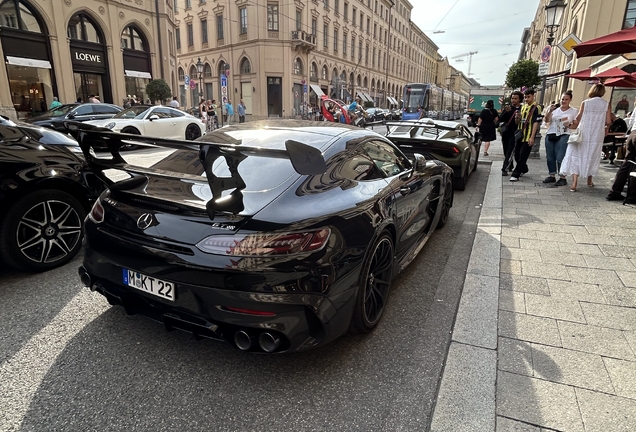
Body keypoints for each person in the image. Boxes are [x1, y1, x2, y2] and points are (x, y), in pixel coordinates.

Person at [560, 83, 612, 192]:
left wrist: (570, 123)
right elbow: (608, 121)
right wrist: (606, 127)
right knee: (592, 155)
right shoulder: (606, 104)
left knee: (577, 155)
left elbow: (578, 118)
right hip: (597, 134)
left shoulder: (585, 103)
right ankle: (589, 180)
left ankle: (574, 184)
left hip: (584, 132)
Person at [542, 90, 577, 186]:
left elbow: (576, 125)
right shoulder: (555, 110)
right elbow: (547, 120)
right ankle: (552, 175)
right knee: (550, 156)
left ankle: (562, 177)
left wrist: (569, 124)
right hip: (551, 133)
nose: (564, 101)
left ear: (570, 100)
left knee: (560, 156)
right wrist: (550, 111)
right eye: (562, 99)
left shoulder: (574, 111)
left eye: (566, 99)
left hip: (564, 134)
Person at [510, 89, 542, 182]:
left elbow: (536, 122)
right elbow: (518, 121)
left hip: (528, 136)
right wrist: (517, 118)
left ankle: (516, 174)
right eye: (525, 97)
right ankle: (524, 169)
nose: (526, 99)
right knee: (517, 155)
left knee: (523, 156)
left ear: (533, 96)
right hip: (521, 134)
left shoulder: (536, 107)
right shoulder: (523, 107)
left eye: (528, 97)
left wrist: (532, 137)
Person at [607, 107, 636, 201]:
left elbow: (631, 120)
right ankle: (632, 195)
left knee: (627, 163)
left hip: (633, 133)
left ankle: (615, 192)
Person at [499, 91, 523, 176]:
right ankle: (511, 165)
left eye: (516, 98)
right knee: (506, 150)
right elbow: (500, 119)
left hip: (515, 133)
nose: (513, 100)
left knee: (510, 151)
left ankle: (504, 168)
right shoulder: (508, 108)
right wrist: (505, 111)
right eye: (512, 98)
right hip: (506, 132)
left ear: (520, 99)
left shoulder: (522, 108)